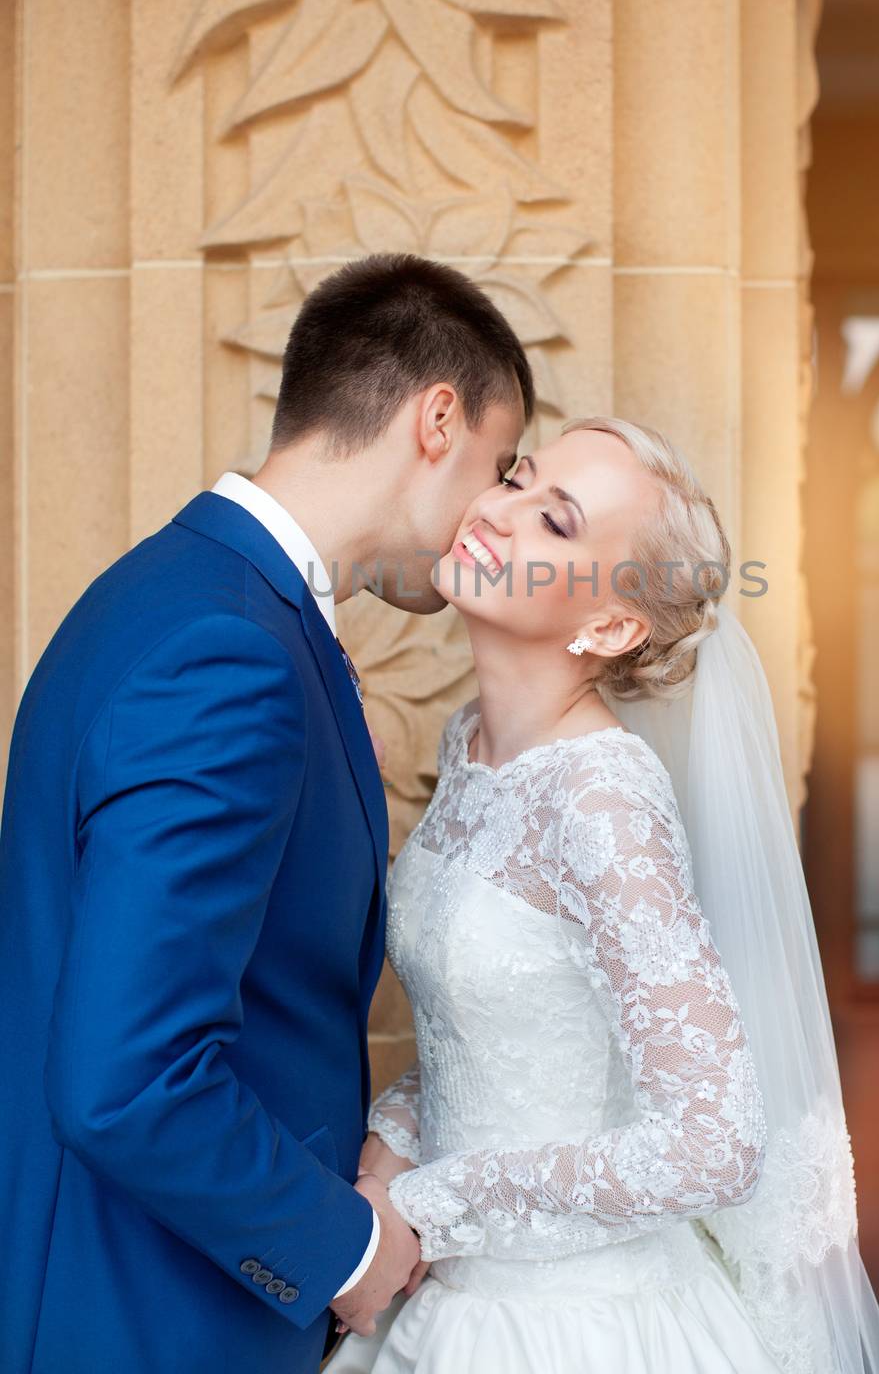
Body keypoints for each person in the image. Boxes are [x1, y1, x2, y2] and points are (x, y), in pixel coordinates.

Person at [0, 254, 531, 1374]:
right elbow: (127, 1076)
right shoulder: (230, 650)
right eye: (500, 463)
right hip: (151, 1317)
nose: (492, 509)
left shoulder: (173, 592)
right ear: (437, 419)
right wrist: (341, 1250)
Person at [337, 416, 879, 1374]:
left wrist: (429, 1207)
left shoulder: (603, 796)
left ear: (608, 625)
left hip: (576, 1328)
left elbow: (713, 1143)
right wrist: (386, 1152)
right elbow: (511, 1037)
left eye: (554, 522)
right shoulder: (472, 742)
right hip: (454, 1299)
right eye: (516, 478)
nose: (499, 511)